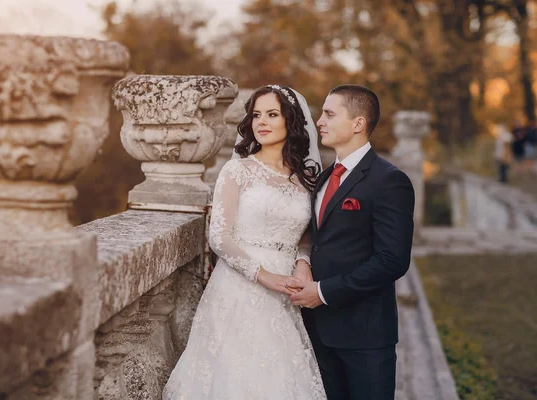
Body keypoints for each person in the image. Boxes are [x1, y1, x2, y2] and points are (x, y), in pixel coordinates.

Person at [163, 85, 327, 399]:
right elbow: (219, 237)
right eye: (256, 115)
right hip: (240, 286)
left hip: (287, 288)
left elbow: (305, 232)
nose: (261, 122)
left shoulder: (305, 177)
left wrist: (303, 263)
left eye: (272, 114)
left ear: (290, 121)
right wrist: (265, 276)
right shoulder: (238, 170)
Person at [289, 85, 415, 400]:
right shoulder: (323, 178)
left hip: (365, 336)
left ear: (358, 123)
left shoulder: (389, 180)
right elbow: (317, 242)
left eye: (330, 114)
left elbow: (392, 260)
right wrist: (303, 263)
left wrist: (322, 292)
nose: (320, 121)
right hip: (317, 330)